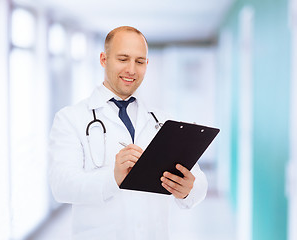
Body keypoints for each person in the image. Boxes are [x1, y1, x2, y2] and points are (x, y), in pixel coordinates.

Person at [48, 26, 208, 240]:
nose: (131, 70)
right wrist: (112, 178)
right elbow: (62, 186)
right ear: (103, 59)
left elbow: (198, 180)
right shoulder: (71, 119)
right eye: (123, 59)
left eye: (140, 61)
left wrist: (189, 188)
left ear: (147, 64)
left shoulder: (163, 121)